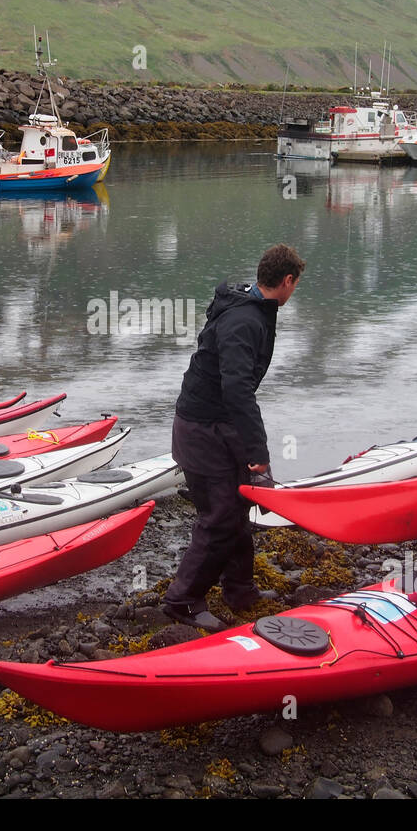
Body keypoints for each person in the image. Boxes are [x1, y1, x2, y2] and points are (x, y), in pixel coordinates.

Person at [163, 244, 305, 630]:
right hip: (201, 428)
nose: (294, 292)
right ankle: (183, 600)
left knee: (238, 504)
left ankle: (240, 590)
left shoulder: (254, 307)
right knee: (220, 516)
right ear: (287, 281)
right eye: (296, 285)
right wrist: (259, 453)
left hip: (218, 424)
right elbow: (238, 389)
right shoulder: (245, 319)